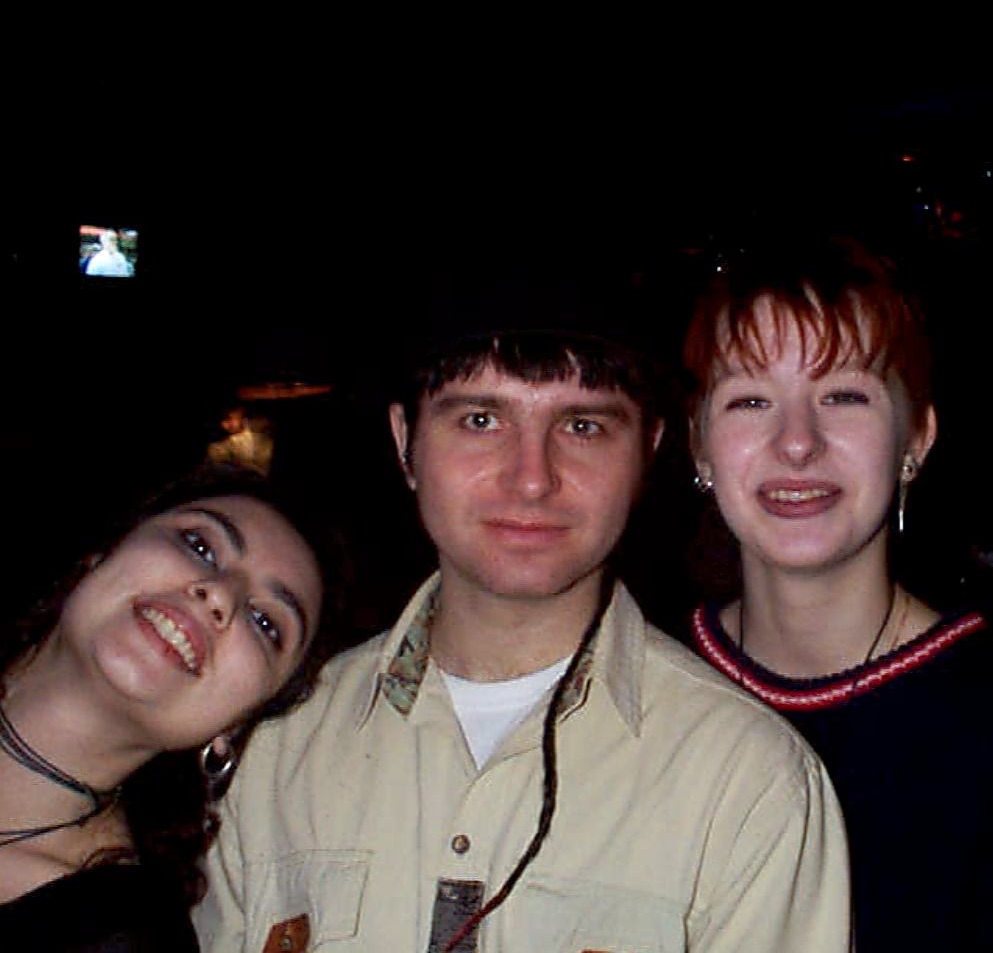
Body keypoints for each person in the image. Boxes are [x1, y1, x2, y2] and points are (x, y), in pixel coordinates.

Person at [195, 261, 849, 952]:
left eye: (583, 426)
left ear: (648, 451)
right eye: (480, 420)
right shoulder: (276, 748)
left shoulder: (747, 783)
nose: (532, 479)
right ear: (405, 442)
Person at [684, 240, 993, 952]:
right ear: (701, 447)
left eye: (843, 396)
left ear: (916, 438)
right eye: (750, 400)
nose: (797, 442)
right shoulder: (634, 685)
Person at [0, 468, 331, 952]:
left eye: (265, 623)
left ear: (234, 728)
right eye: (200, 546)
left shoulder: (118, 935)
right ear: (103, 552)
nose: (220, 593)